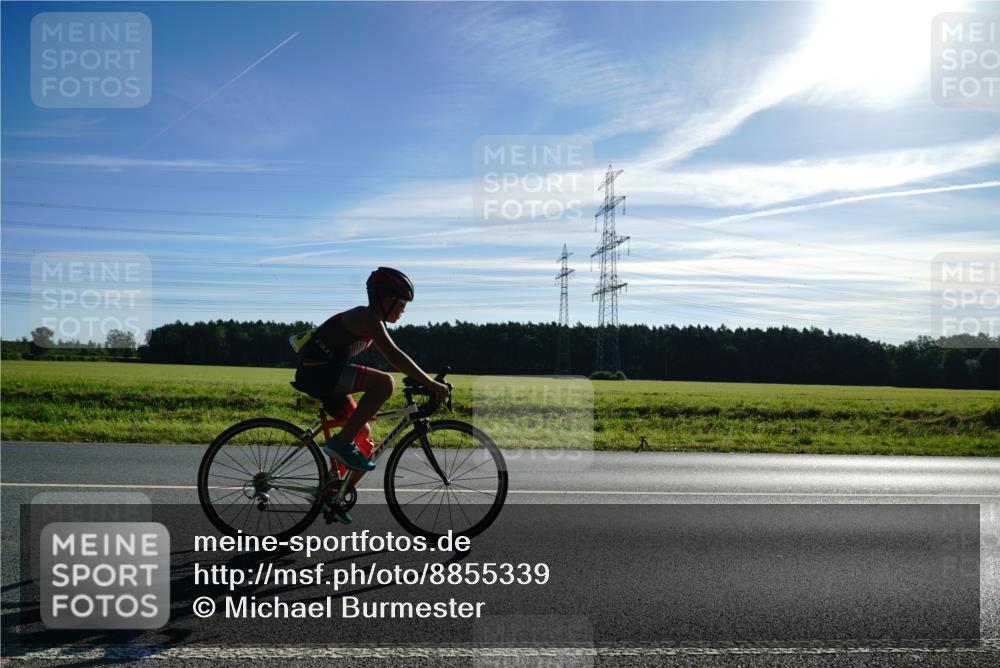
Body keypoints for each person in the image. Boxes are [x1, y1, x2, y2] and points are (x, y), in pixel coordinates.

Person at [292, 267, 450, 523]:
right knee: (385, 383)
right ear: (385, 299)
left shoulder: (370, 320)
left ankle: (333, 492)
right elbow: (394, 355)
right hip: (319, 374)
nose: (403, 310)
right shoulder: (366, 317)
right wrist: (430, 383)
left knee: (363, 435)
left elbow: (394, 356)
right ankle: (341, 443)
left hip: (325, 375)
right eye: (401, 303)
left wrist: (426, 381)